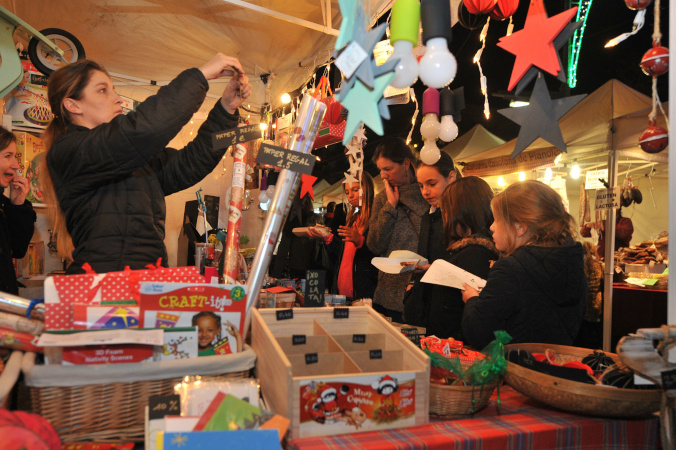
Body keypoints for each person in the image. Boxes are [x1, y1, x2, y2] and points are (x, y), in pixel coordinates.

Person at [41, 55, 252, 273]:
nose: (118, 99)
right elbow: (144, 128)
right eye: (103, 90)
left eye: (113, 89)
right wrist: (200, 76)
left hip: (146, 283)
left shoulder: (134, 159)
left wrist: (226, 110)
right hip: (104, 287)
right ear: (73, 105)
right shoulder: (69, 151)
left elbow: (191, 162)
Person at [461, 180, 587, 350]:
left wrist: (472, 299)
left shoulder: (510, 268)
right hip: (555, 365)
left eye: (497, 220)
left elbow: (477, 333)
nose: (491, 227)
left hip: (517, 369)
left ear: (520, 227)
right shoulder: (572, 260)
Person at [425, 177, 498, 339]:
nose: (443, 216)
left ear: (462, 211)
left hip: (457, 349)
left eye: (445, 210)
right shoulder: (465, 248)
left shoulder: (476, 252)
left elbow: (472, 313)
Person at [367, 137, 428, 322]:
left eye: (388, 169)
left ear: (406, 164)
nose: (383, 176)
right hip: (387, 292)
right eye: (380, 170)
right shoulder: (382, 199)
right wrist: (390, 206)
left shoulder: (427, 194)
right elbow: (374, 245)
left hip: (420, 292)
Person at [402, 152, 456, 326]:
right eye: (420, 185)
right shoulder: (429, 215)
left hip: (449, 307)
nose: (425, 192)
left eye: (432, 183)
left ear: (451, 177)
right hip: (426, 303)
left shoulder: (460, 219)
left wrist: (433, 268)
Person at [308, 172, 377, 300]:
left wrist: (360, 241)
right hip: (343, 291)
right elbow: (344, 254)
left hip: (363, 293)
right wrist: (327, 236)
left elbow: (378, 254)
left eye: (355, 190)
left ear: (367, 189)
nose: (350, 195)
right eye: (347, 192)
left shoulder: (375, 218)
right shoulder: (353, 218)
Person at [0, 127, 36, 294]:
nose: (15, 165)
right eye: (8, 156)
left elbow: (17, 249)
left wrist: (17, 204)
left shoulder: (3, 205)